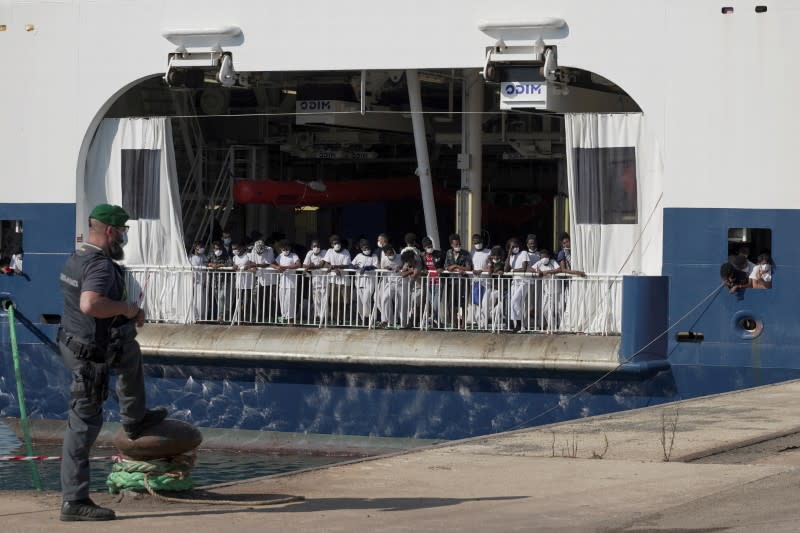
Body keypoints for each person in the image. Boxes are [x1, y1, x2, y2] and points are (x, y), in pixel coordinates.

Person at [57, 204, 166, 522]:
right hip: (89, 357)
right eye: (122, 232)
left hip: (75, 342)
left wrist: (125, 317)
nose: (124, 238)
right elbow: (90, 304)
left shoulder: (76, 258)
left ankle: (135, 418)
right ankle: (74, 500)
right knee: (83, 425)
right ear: (110, 231)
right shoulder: (101, 266)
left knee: (129, 350)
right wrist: (129, 308)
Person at [442, 233, 473, 329]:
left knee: (463, 304)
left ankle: (463, 325)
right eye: (456, 244)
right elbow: (446, 266)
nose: (458, 246)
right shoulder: (448, 253)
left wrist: (455, 266)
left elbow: (468, 267)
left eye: (459, 244)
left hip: (463, 282)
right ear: (451, 245)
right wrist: (454, 268)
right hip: (451, 282)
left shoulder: (465, 253)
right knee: (451, 304)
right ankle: (454, 324)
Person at [322, 234, 352, 325]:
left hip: (344, 281)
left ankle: (343, 319)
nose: (337, 245)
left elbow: (347, 265)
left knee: (345, 301)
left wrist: (336, 266)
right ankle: (337, 319)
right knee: (333, 301)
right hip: (333, 280)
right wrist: (334, 268)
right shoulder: (329, 251)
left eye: (338, 243)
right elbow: (326, 264)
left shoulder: (346, 252)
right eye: (335, 243)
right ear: (331, 244)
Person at [352, 238, 380, 325]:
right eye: (364, 248)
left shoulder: (374, 256)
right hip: (359, 281)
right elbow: (351, 264)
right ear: (361, 249)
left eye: (368, 248)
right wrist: (354, 266)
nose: (366, 250)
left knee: (366, 299)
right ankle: (363, 318)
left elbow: (375, 266)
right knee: (360, 302)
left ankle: (368, 317)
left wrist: (366, 268)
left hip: (370, 281)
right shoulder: (358, 256)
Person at [505, 237, 530, 332]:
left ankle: (520, 324)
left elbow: (524, 268)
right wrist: (509, 253)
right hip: (514, 282)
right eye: (512, 246)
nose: (515, 248)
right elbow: (506, 269)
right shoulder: (511, 256)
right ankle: (519, 325)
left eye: (516, 246)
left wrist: (513, 270)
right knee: (515, 304)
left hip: (523, 282)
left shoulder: (523, 253)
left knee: (515, 302)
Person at [273, 240, 301, 324]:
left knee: (290, 302)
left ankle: (290, 320)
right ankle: (282, 320)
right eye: (283, 249)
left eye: (287, 248)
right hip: (282, 283)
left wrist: (286, 267)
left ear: (290, 248)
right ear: (281, 249)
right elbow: (272, 264)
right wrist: (277, 268)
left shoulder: (294, 255)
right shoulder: (280, 256)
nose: (285, 250)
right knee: (282, 302)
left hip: (291, 284)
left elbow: (298, 264)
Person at [250, 239, 277, 323]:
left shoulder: (269, 249)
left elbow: (268, 263)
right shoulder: (253, 250)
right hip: (259, 277)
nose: (259, 254)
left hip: (270, 279)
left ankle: (272, 317)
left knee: (271, 299)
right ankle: (259, 316)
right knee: (257, 298)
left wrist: (256, 265)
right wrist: (253, 267)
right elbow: (251, 262)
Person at [420, 236, 444, 328]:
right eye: (427, 246)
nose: (429, 247)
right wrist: (423, 270)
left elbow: (444, 264)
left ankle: (431, 320)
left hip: (439, 282)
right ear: (424, 247)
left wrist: (442, 269)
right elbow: (421, 267)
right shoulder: (422, 256)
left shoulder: (439, 254)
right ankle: (437, 323)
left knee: (435, 304)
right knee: (431, 303)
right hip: (429, 282)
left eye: (430, 245)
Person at [303, 239, 328, 322]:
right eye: (314, 246)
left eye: (318, 246)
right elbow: (304, 265)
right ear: (311, 247)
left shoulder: (324, 252)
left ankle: (324, 317)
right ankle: (318, 315)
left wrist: (311, 266)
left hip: (324, 280)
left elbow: (321, 264)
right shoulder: (310, 253)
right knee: (316, 300)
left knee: (324, 300)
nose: (316, 247)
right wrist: (309, 266)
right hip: (315, 281)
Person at [206, 240, 232, 322]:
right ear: (213, 249)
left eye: (219, 248)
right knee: (217, 298)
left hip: (224, 279)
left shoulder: (225, 255)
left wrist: (220, 265)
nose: (218, 250)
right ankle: (223, 313)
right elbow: (205, 262)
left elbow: (230, 263)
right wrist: (210, 264)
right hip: (214, 280)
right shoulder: (211, 255)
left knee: (221, 297)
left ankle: (220, 315)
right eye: (216, 249)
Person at [470, 234, 491, 328]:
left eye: (479, 242)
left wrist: (482, 271)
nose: (477, 244)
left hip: (486, 282)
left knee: (485, 304)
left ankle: (485, 324)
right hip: (475, 282)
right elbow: (470, 267)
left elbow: (491, 267)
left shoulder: (488, 252)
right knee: (476, 304)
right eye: (475, 242)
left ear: (482, 241)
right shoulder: (471, 254)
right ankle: (479, 325)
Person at [378, 245, 402, 327]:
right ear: (385, 254)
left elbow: (406, 264)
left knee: (400, 303)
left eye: (392, 252)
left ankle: (401, 321)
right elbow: (381, 269)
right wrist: (385, 268)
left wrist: (400, 267)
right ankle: (385, 320)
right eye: (389, 254)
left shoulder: (400, 257)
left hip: (401, 283)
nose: (391, 254)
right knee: (385, 298)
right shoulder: (384, 259)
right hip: (390, 283)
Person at [231, 242, 255, 322]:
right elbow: (234, 266)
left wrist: (247, 267)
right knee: (238, 301)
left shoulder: (248, 255)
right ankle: (240, 319)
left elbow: (255, 266)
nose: (234, 250)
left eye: (236, 249)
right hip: (238, 284)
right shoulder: (234, 257)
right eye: (233, 249)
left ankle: (246, 319)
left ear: (241, 248)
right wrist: (234, 267)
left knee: (246, 302)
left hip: (248, 284)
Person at [189, 242, 208, 321]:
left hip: (201, 281)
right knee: (193, 299)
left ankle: (200, 316)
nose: (201, 249)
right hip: (193, 281)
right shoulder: (190, 257)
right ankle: (194, 316)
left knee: (201, 299)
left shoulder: (203, 256)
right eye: (200, 247)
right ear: (195, 248)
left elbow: (206, 265)